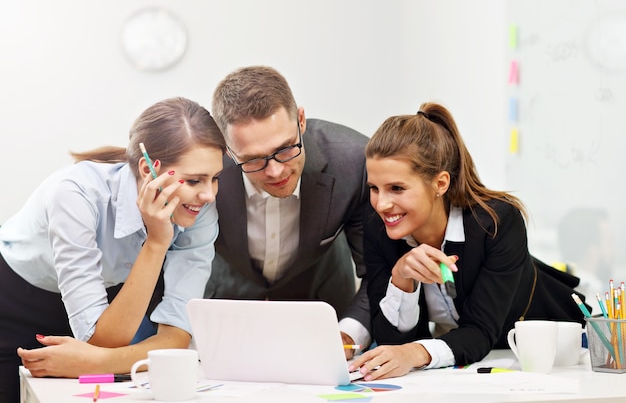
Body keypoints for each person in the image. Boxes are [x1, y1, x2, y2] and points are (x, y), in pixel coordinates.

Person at [0, 97, 225, 403]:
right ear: (148, 169)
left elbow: (176, 338)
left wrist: (96, 361)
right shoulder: (75, 193)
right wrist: (157, 242)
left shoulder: (197, 210)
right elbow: (98, 337)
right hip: (14, 300)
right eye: (195, 180)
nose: (209, 195)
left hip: (105, 301)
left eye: (215, 178)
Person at [349, 102, 591, 380]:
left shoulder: (496, 222)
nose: (381, 204)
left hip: (553, 357)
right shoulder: (378, 227)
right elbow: (390, 338)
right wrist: (401, 279)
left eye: (397, 188)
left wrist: (413, 353)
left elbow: (480, 331)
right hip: (474, 364)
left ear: (440, 184)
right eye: (374, 188)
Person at [204, 65, 370, 354]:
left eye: (285, 149)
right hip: (229, 314)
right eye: (253, 160)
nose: (276, 170)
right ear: (228, 151)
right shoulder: (204, 168)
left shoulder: (354, 162)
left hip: (326, 308)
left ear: (301, 120)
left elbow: (377, 270)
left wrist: (348, 332)